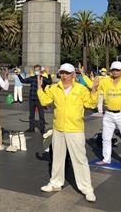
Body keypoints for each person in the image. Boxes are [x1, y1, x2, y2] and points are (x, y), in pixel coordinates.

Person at [37, 63, 97, 202]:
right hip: (58, 128)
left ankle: (87, 189)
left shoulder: (81, 89)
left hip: (75, 129)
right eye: (62, 73)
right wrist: (40, 88)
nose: (65, 76)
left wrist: (94, 90)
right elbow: (45, 101)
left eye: (67, 73)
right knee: (57, 158)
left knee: (80, 160)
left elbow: (91, 104)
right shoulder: (55, 88)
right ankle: (55, 183)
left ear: (73, 75)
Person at [18, 65, 52, 134]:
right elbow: (23, 81)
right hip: (32, 98)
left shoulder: (43, 79)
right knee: (31, 115)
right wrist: (18, 74)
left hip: (40, 99)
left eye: (37, 70)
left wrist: (48, 74)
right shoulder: (32, 78)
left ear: (40, 71)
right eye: (35, 70)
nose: (36, 72)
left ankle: (42, 129)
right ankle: (31, 128)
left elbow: (49, 82)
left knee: (41, 115)